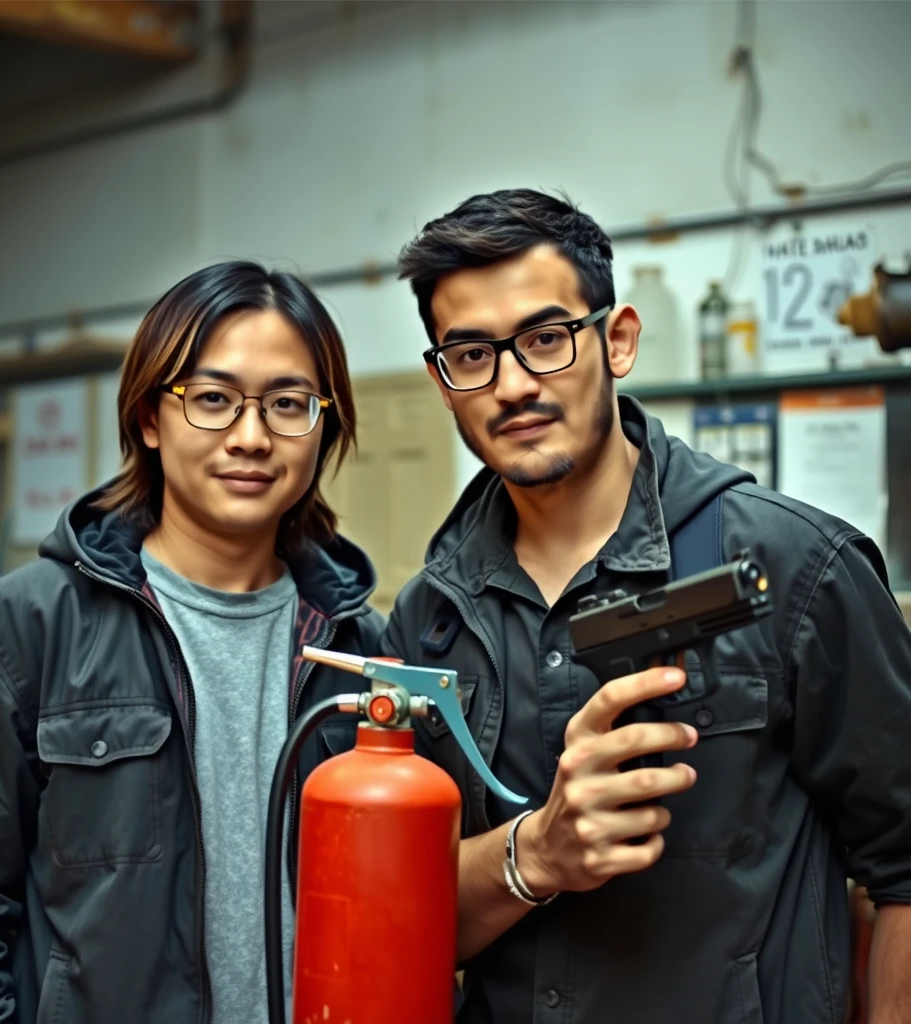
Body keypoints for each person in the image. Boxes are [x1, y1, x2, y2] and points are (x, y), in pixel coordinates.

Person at [381, 188, 911, 1024]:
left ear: (617, 340)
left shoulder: (798, 568)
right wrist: (536, 855)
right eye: (472, 354)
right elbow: (404, 918)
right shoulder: (429, 618)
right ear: (443, 382)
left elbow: (903, 868)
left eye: (547, 340)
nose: (513, 383)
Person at [0, 261, 384, 1024]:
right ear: (151, 418)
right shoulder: (22, 629)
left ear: (325, 426)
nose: (251, 437)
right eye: (213, 400)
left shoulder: (365, 647)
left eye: (289, 404)